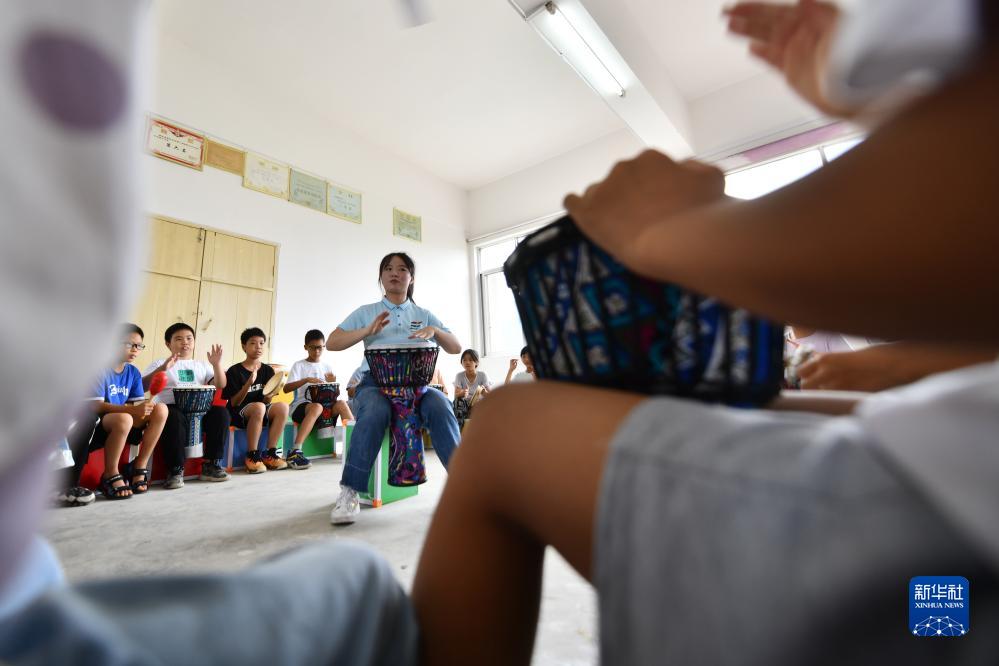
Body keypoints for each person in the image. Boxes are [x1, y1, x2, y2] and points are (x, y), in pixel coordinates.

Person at [410, 2, 999, 664]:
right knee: (739, 403)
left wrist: (670, 232)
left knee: (506, 427)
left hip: (963, 539)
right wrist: (895, 369)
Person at [0, 5, 417, 663]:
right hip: (181, 408)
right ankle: (207, 464)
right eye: (174, 342)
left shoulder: (210, 366)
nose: (182, 347)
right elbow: (207, 390)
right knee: (258, 423)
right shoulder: (164, 367)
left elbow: (225, 388)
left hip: (218, 404)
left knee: (283, 405)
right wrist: (251, 377)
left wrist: (234, 371)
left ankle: (271, 457)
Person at [325, 252, 462, 524]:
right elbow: (332, 342)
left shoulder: (423, 314)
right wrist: (366, 331)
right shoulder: (367, 312)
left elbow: (456, 347)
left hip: (417, 385)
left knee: (440, 405)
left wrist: (435, 330)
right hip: (374, 384)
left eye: (402, 269)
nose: (394, 273)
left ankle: (465, 486)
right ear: (381, 276)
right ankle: (350, 491)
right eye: (388, 268)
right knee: (375, 410)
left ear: (411, 278)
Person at [73, 324, 169, 499]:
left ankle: (139, 466)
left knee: (161, 409)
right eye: (129, 344)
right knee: (125, 418)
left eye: (138, 345)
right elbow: (96, 406)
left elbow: (133, 405)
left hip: (124, 422)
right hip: (99, 423)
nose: (135, 349)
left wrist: (142, 408)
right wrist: (132, 410)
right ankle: (110, 473)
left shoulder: (133, 372)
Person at [143, 323, 230, 488]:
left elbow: (221, 384)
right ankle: (175, 470)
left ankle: (211, 465)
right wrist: (163, 368)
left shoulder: (201, 365)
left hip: (199, 410)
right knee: (174, 416)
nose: (185, 342)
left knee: (221, 413)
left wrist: (216, 364)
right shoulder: (159, 363)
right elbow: (143, 387)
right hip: (170, 408)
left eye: (189, 338)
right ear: (168, 344)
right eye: (179, 339)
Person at [223, 328, 290, 473]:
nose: (258, 347)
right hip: (238, 412)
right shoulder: (234, 371)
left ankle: (270, 453)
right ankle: (252, 455)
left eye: (261, 343)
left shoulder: (267, 370)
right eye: (253, 343)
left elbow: (266, 401)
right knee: (259, 407)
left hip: (260, 410)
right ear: (244, 346)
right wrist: (248, 383)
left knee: (283, 407)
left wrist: (273, 391)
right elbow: (234, 403)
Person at [284, 329, 354, 467]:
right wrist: (306, 380)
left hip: (324, 408)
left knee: (341, 403)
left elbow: (333, 395)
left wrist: (332, 383)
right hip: (302, 407)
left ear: (324, 347)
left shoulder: (327, 366)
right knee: (317, 407)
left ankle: (356, 446)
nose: (317, 351)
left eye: (320, 348)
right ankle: (295, 451)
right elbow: (286, 389)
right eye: (313, 347)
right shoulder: (299, 365)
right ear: (306, 347)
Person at [453, 348, 490, 428]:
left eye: (470, 360)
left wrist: (484, 392)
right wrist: (462, 393)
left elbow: (491, 397)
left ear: (477, 362)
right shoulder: (459, 376)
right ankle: (457, 429)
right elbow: (456, 396)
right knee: (458, 401)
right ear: (461, 362)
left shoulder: (482, 375)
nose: (467, 362)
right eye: (464, 360)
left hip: (478, 404)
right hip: (464, 406)